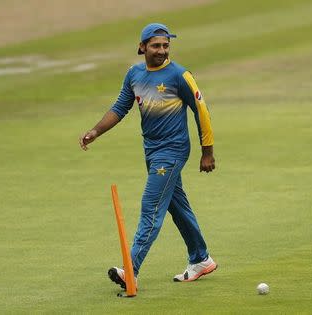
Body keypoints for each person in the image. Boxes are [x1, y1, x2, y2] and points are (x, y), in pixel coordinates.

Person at [79, 23, 217, 289]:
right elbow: (120, 107)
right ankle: (201, 259)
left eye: (166, 46)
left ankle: (131, 270)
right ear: (142, 47)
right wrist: (96, 131)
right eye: (156, 46)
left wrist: (207, 152)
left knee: (151, 208)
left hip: (173, 151)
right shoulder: (135, 74)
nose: (162, 51)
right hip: (152, 151)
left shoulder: (179, 75)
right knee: (177, 207)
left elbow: (202, 111)